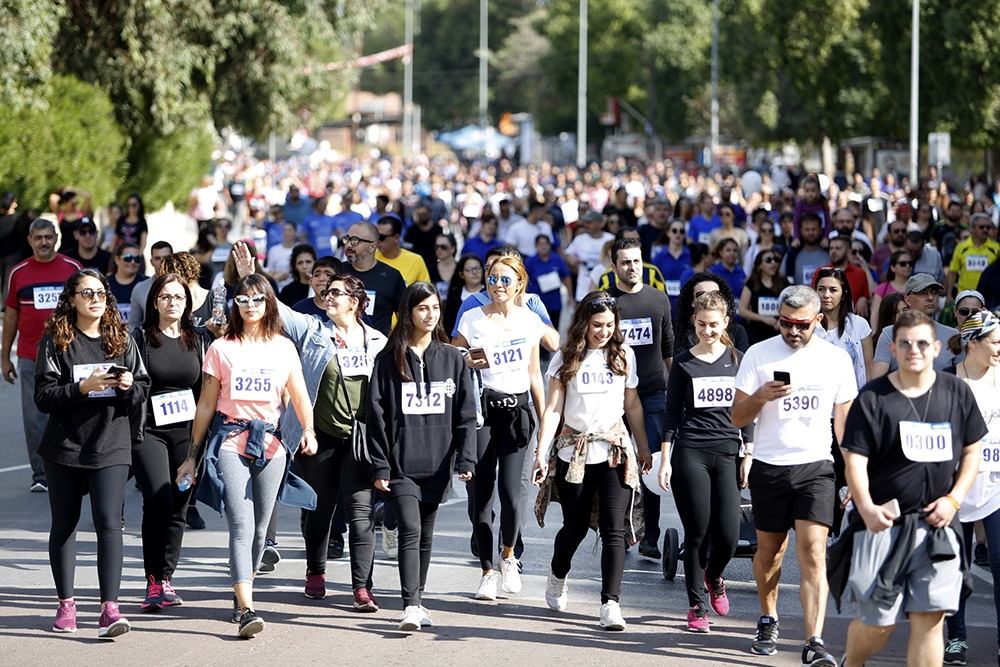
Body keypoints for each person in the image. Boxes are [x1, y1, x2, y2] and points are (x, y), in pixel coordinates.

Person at [233, 242, 388, 607]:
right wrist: (249, 278)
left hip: (361, 439)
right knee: (320, 507)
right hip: (317, 437)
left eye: (335, 291)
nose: (326, 294)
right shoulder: (312, 330)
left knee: (361, 511)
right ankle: (315, 571)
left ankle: (361, 586)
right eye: (325, 289)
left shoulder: (377, 341)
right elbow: (278, 310)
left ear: (355, 301)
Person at [837, 310, 985, 667]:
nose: (913, 350)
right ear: (894, 346)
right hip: (882, 525)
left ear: (936, 348)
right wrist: (867, 508)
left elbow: (972, 450)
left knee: (930, 620)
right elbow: (854, 460)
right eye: (905, 343)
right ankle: (852, 663)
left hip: (938, 524)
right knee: (879, 624)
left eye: (922, 343)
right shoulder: (873, 397)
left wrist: (954, 499)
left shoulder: (956, 392)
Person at [175, 274, 318, 639]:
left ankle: (242, 592)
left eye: (257, 299)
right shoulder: (222, 348)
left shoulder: (283, 347)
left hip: (271, 442)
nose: (250, 306)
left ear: (269, 303)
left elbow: (299, 396)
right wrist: (193, 455)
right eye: (243, 300)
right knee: (240, 523)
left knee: (260, 529)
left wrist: (308, 431)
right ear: (234, 305)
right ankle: (247, 607)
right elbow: (206, 405)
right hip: (229, 439)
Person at [731, 284, 857, 663]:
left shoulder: (836, 360)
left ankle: (813, 641)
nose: (793, 331)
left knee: (814, 553)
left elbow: (845, 426)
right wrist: (761, 397)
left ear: (818, 320)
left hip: (816, 467)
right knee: (770, 553)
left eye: (802, 324)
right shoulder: (758, 353)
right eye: (786, 323)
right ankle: (768, 616)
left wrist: (853, 473)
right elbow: (737, 417)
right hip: (770, 467)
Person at [36, 269, 150, 637]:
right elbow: (43, 397)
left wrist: (130, 385)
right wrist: (81, 388)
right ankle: (66, 604)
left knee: (108, 523)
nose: (96, 299)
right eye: (86, 293)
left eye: (101, 292)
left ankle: (109, 609)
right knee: (65, 525)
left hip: (110, 443)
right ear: (71, 299)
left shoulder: (123, 338)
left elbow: (142, 386)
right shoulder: (56, 340)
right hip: (64, 446)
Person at [532, 291, 652, 631]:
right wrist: (541, 454)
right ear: (584, 323)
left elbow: (632, 404)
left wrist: (643, 447)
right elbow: (553, 410)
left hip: (613, 449)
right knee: (576, 526)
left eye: (610, 325)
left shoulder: (623, 355)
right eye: (597, 325)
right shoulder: (566, 358)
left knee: (615, 529)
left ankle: (610, 604)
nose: (603, 331)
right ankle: (557, 574)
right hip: (575, 452)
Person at [368, 282, 477, 631]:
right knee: (410, 529)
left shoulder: (452, 359)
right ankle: (410, 605)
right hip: (400, 465)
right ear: (408, 313)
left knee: (426, 535)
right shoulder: (388, 360)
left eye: (435, 308)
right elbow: (377, 415)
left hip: (438, 464)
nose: (430, 315)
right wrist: (381, 464)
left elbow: (465, 413)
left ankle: (419, 597)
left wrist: (466, 460)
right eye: (422, 309)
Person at [659, 291, 754, 632]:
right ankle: (697, 607)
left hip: (728, 451)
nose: (708, 331)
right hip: (691, 452)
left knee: (729, 535)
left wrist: (749, 452)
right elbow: (671, 414)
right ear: (694, 323)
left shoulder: (738, 359)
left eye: (714, 325)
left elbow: (749, 411)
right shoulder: (684, 362)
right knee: (697, 532)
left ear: (726, 322)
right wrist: (666, 459)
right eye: (702, 325)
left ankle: (714, 576)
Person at [455, 253, 545, 601]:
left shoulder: (529, 321)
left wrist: (546, 428)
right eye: (492, 279)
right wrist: (465, 360)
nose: (497, 285)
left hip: (517, 413)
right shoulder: (473, 317)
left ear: (519, 283)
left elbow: (535, 376)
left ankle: (508, 555)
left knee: (511, 493)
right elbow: (454, 358)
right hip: (481, 413)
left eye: (505, 279)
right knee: (480, 495)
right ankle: (487, 570)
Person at [131, 273, 214, 610]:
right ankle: (152, 581)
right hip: (148, 432)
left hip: (187, 433)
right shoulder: (139, 339)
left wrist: (197, 447)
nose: (172, 303)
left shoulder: (199, 339)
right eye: (165, 296)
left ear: (187, 303)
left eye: (178, 297)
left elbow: (205, 392)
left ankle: (166, 578)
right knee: (158, 500)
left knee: (179, 505)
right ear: (154, 301)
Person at [605, 237, 674, 558]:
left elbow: (669, 350)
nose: (632, 267)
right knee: (615, 465)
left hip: (652, 393)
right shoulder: (606, 302)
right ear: (614, 266)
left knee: (651, 462)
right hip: (614, 398)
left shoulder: (659, 300)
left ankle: (650, 536)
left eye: (636, 261)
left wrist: (674, 393)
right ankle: (620, 528)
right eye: (625, 262)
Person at [2, 219, 82, 492]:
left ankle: (72, 466)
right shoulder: (18, 272)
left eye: (49, 237)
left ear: (57, 238)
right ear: (30, 240)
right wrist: (4, 357)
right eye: (38, 237)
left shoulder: (73, 269)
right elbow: (11, 315)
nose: (44, 242)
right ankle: (41, 476)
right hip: (29, 356)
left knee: (71, 411)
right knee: (35, 417)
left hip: (68, 354)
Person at [941, 311, 1000, 665]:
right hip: (954, 488)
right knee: (955, 567)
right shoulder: (948, 381)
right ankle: (957, 637)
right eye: (994, 342)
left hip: (996, 485)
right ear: (972, 343)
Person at [871, 274, 962, 377]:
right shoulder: (889, 334)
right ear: (908, 300)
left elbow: (965, 379)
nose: (930, 297)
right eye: (923, 293)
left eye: (934, 292)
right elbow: (876, 380)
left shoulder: (953, 336)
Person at [342, 221, 406, 336]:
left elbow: (404, 319)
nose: (349, 245)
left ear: (372, 246)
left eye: (355, 241)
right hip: (341, 349)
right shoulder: (338, 272)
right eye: (347, 239)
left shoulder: (392, 276)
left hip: (378, 351)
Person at [814, 268, 873, 391]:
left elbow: (869, 370)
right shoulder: (807, 326)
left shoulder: (859, 324)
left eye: (833, 290)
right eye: (821, 289)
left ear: (843, 294)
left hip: (853, 401)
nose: (826, 295)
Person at [674, 272, 750, 356]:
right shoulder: (682, 335)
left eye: (715, 293)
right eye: (701, 294)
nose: (709, 298)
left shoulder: (737, 332)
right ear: (692, 301)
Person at [947, 211, 1000, 304]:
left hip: (988, 299)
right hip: (964, 297)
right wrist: (949, 294)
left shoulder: (996, 248)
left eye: (988, 227)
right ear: (973, 228)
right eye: (981, 227)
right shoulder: (961, 247)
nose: (985, 230)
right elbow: (953, 271)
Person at [739, 249, 788, 346]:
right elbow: (742, 310)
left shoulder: (784, 282)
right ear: (759, 265)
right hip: (757, 335)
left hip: (779, 334)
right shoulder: (751, 283)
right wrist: (764, 319)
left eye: (775, 259)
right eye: (768, 260)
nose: (773, 263)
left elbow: (791, 306)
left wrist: (782, 319)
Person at [564, 210, 614, 303]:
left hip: (605, 290)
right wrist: (571, 259)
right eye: (585, 222)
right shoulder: (579, 239)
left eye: (589, 222)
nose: (586, 225)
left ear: (599, 223)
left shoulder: (610, 239)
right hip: (583, 291)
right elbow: (566, 254)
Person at [525, 235, 573, 332]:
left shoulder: (557, 259)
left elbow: (567, 277)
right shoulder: (530, 262)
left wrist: (570, 296)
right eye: (540, 244)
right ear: (536, 246)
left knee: (553, 330)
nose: (543, 246)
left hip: (554, 303)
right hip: (535, 303)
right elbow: (523, 280)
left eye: (546, 244)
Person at [375, 213, 431, 286]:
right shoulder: (371, 258)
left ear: (396, 238)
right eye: (376, 236)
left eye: (381, 237)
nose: (377, 241)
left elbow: (426, 292)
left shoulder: (415, 260)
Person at [128, 241, 175, 328]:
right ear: (151, 261)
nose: (162, 262)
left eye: (166, 258)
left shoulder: (184, 286)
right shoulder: (140, 289)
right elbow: (134, 323)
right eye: (157, 258)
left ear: (173, 259)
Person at [651, 218, 693, 310]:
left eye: (681, 231)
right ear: (668, 233)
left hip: (686, 307)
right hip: (665, 305)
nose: (678, 233)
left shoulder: (691, 256)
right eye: (674, 230)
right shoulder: (659, 257)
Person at [869, 250, 912, 333]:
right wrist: (874, 331)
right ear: (892, 267)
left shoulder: (916, 289)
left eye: (910, 263)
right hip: (886, 332)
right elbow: (875, 312)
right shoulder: (881, 288)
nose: (907, 266)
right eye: (903, 263)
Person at [443, 254, 485, 335]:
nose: (475, 272)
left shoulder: (490, 293)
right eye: (469, 269)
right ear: (461, 274)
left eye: (478, 268)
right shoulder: (454, 296)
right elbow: (448, 324)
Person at [783, 214, 830, 287]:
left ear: (820, 230)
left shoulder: (830, 252)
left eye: (814, 229)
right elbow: (781, 275)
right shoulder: (792, 254)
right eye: (807, 230)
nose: (810, 233)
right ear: (801, 231)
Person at [292, 256, 344, 322]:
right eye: (317, 275)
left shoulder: (347, 309)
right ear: (311, 281)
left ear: (340, 280)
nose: (321, 279)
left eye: (328, 275)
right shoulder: (299, 310)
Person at [107, 243, 149, 322]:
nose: (133, 262)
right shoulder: (104, 284)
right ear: (117, 260)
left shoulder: (147, 284)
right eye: (128, 258)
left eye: (137, 259)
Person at [265, 220, 298, 289]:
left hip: (296, 289)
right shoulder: (274, 250)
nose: (287, 233)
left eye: (290, 230)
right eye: (284, 230)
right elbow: (269, 270)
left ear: (295, 232)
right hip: (278, 288)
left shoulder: (300, 249)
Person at [427, 233, 458, 302]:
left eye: (443, 247)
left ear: (452, 249)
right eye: (436, 247)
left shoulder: (461, 269)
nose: (439, 249)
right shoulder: (430, 270)